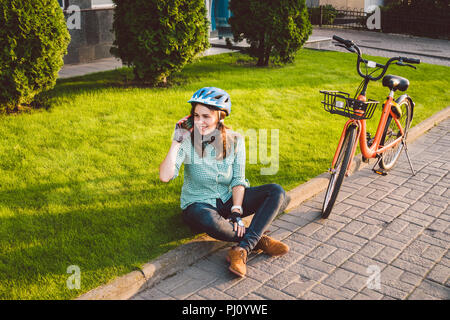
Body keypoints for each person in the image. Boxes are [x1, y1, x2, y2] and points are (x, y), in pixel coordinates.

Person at [159, 87, 290, 277]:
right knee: (210, 221)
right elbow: (165, 176)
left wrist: (236, 211)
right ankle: (257, 239)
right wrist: (176, 140)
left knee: (276, 192)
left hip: (227, 199)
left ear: (220, 117)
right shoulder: (187, 141)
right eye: (196, 115)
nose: (199, 121)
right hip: (198, 205)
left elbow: (238, 180)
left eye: (206, 116)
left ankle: (241, 249)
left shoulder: (235, 140)